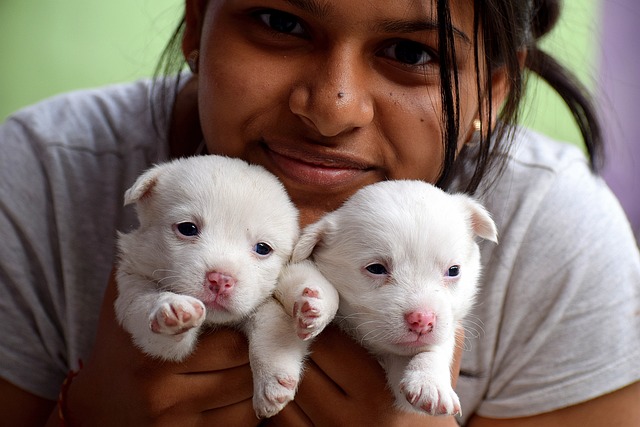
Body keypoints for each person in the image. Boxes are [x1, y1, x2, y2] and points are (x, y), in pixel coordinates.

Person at [1, 0, 638, 425]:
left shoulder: (552, 233)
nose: (332, 108)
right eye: (282, 22)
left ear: (491, 94)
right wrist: (86, 415)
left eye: (413, 55)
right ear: (198, 22)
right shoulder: (42, 177)